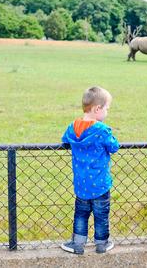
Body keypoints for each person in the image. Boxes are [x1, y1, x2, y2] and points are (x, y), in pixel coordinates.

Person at [60, 86, 119, 255]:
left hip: (81, 183)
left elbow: (65, 140)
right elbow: (114, 147)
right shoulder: (101, 130)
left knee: (81, 214)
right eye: (107, 108)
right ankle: (101, 244)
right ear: (97, 109)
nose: (107, 112)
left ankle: (77, 244)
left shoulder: (73, 126)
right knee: (101, 215)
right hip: (100, 183)